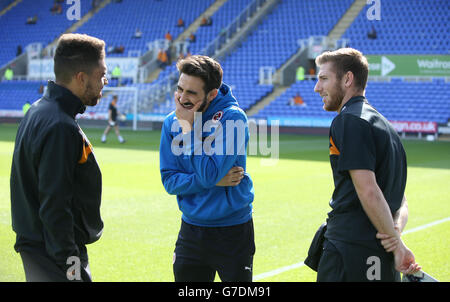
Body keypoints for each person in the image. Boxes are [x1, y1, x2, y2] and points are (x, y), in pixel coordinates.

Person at [313, 48, 421, 282]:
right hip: (381, 255)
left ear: (348, 79)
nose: (317, 87)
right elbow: (400, 199)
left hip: (350, 251)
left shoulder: (349, 120)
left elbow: (368, 190)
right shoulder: (385, 126)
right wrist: (396, 239)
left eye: (323, 78)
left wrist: (397, 246)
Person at [10, 33, 107, 282]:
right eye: (101, 74)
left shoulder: (38, 110)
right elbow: (55, 204)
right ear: (81, 78)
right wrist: (70, 264)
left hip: (39, 248)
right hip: (54, 255)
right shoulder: (60, 126)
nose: (105, 81)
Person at [159, 55, 255, 282]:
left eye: (191, 93)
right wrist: (213, 180)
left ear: (212, 94)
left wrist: (188, 129)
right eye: (180, 89)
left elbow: (209, 172)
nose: (182, 98)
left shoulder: (233, 119)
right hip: (191, 229)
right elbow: (170, 181)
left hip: (233, 230)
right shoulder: (170, 122)